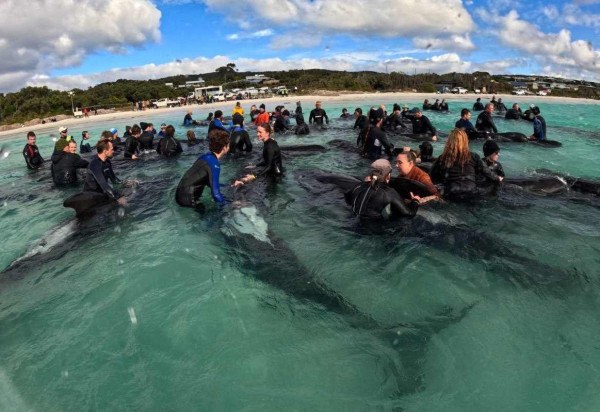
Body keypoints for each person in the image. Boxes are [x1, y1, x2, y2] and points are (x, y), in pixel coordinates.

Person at [430, 128, 503, 200]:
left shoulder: (442, 158)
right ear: (465, 141)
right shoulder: (474, 156)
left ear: (449, 142)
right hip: (471, 192)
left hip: (451, 192)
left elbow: (431, 177)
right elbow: (487, 173)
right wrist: (497, 178)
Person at [175, 129, 233, 209]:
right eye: (228, 145)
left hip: (180, 195)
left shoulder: (206, 157)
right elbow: (216, 195)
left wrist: (230, 185)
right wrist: (230, 206)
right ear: (224, 148)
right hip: (188, 200)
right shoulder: (214, 164)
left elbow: (210, 183)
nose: (229, 147)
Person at [345, 159, 418, 220]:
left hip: (353, 224)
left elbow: (348, 198)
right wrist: (415, 202)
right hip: (373, 232)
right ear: (388, 176)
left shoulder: (358, 186)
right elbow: (409, 214)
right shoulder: (389, 192)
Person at [83, 139, 124, 204]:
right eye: (111, 149)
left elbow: (114, 179)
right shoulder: (95, 164)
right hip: (91, 198)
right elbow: (104, 185)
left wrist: (127, 183)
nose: (113, 151)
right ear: (105, 151)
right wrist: (118, 197)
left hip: (102, 193)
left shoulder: (107, 162)